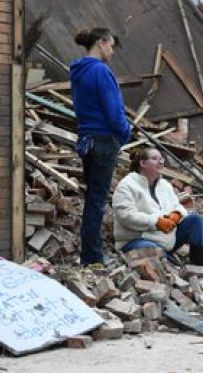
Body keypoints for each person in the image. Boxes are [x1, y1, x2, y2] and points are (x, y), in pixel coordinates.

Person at [70, 28, 131, 268]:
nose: (112, 52)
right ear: (102, 42)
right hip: (105, 140)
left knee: (92, 198)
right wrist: (125, 134)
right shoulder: (101, 71)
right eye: (111, 46)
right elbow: (114, 112)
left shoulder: (77, 71)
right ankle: (93, 258)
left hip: (86, 139)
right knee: (97, 199)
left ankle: (89, 253)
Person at [112, 147, 203, 266]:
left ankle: (197, 267)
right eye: (155, 159)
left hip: (166, 240)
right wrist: (156, 222)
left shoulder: (165, 185)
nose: (160, 162)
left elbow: (177, 206)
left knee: (195, 220)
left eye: (161, 159)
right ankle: (168, 262)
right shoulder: (127, 185)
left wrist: (176, 215)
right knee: (152, 250)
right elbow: (126, 216)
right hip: (136, 240)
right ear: (142, 163)